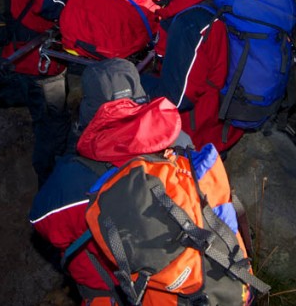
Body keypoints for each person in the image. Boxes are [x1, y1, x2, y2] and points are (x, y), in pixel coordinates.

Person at [29, 58, 191, 304]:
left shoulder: (73, 180)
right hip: (192, 277)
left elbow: (40, 221)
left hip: (121, 292)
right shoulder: (181, 142)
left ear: (88, 111)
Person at [135, 0, 246, 152]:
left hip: (203, 127)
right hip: (226, 108)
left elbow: (176, 100)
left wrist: (132, 83)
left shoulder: (188, 23)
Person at [5, 0, 81, 186]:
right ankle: (50, 187)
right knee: (50, 124)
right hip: (35, 58)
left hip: (47, 53)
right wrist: (89, 4)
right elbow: (49, 2)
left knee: (55, 116)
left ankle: (57, 172)